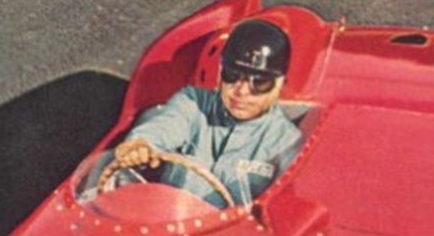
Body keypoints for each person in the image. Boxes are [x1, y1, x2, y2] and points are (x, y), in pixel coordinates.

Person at [111, 19, 303, 206]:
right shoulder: (193, 102)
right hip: (167, 217)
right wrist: (141, 145)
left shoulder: (287, 143)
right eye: (232, 75)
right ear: (221, 71)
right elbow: (165, 126)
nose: (241, 92)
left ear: (280, 84)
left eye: (259, 83)